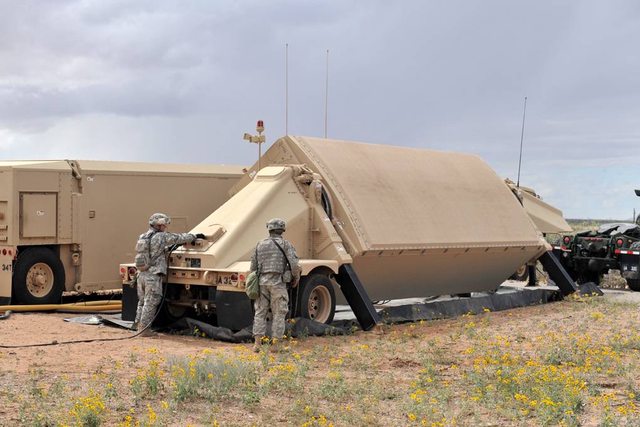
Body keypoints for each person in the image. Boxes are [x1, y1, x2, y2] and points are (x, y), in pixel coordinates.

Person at [133, 213, 205, 336]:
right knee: (151, 302)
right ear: (159, 225)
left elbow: (153, 252)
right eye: (164, 225)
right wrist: (194, 236)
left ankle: (137, 325)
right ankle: (144, 330)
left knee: (142, 302)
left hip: (142, 274)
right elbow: (179, 238)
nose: (165, 227)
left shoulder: (143, 236)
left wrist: (169, 248)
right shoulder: (160, 236)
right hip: (153, 276)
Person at [251, 218, 300, 352]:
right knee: (279, 313)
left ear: (269, 229)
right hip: (278, 283)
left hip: (262, 283)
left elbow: (253, 267)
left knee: (260, 312)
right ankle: (276, 345)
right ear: (282, 230)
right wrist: (296, 277)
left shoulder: (260, 244)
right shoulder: (285, 244)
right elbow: (294, 265)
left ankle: (257, 344)